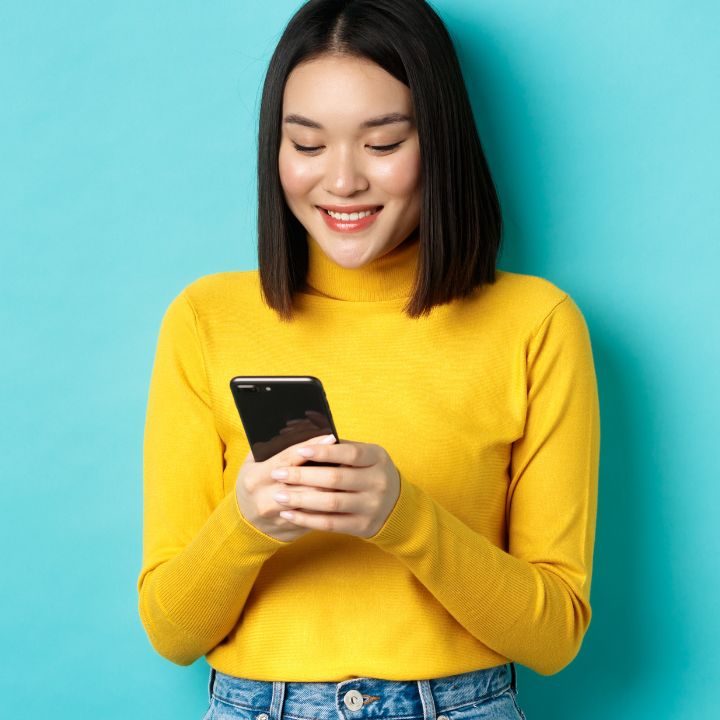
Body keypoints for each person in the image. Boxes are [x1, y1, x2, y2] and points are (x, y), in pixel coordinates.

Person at [138, 1, 600, 718]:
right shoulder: (205, 319)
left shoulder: (536, 325)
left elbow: (555, 638)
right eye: (308, 145)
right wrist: (248, 523)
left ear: (438, 142)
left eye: (382, 144)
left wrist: (405, 517)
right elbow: (171, 631)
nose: (343, 181)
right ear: (275, 149)